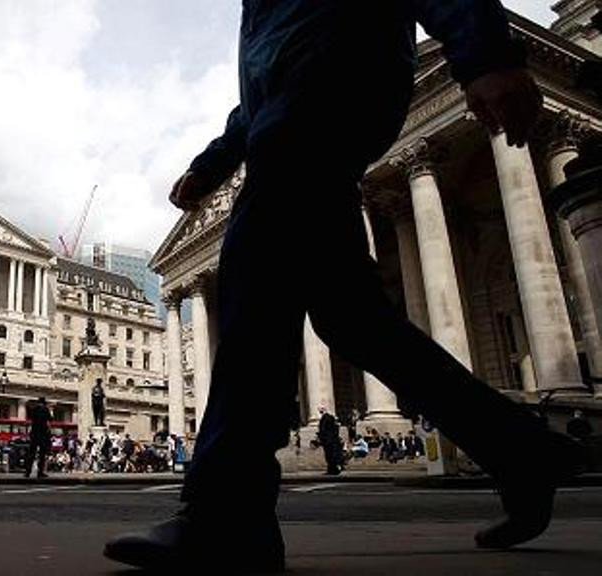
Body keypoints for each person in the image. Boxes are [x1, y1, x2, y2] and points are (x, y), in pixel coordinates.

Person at [104, 1, 589, 571]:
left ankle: (227, 514)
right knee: (353, 319)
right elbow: (264, 81)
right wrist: (214, 163)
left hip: (331, 92)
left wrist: (484, 53)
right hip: (299, 109)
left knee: (253, 279)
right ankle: (520, 451)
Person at [25, 397, 53, 479]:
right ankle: (40, 472)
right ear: (44, 403)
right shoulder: (45, 409)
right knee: (42, 454)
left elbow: (31, 418)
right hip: (43, 434)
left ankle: (28, 472)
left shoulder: (34, 409)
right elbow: (50, 419)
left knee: (31, 453)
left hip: (34, 433)